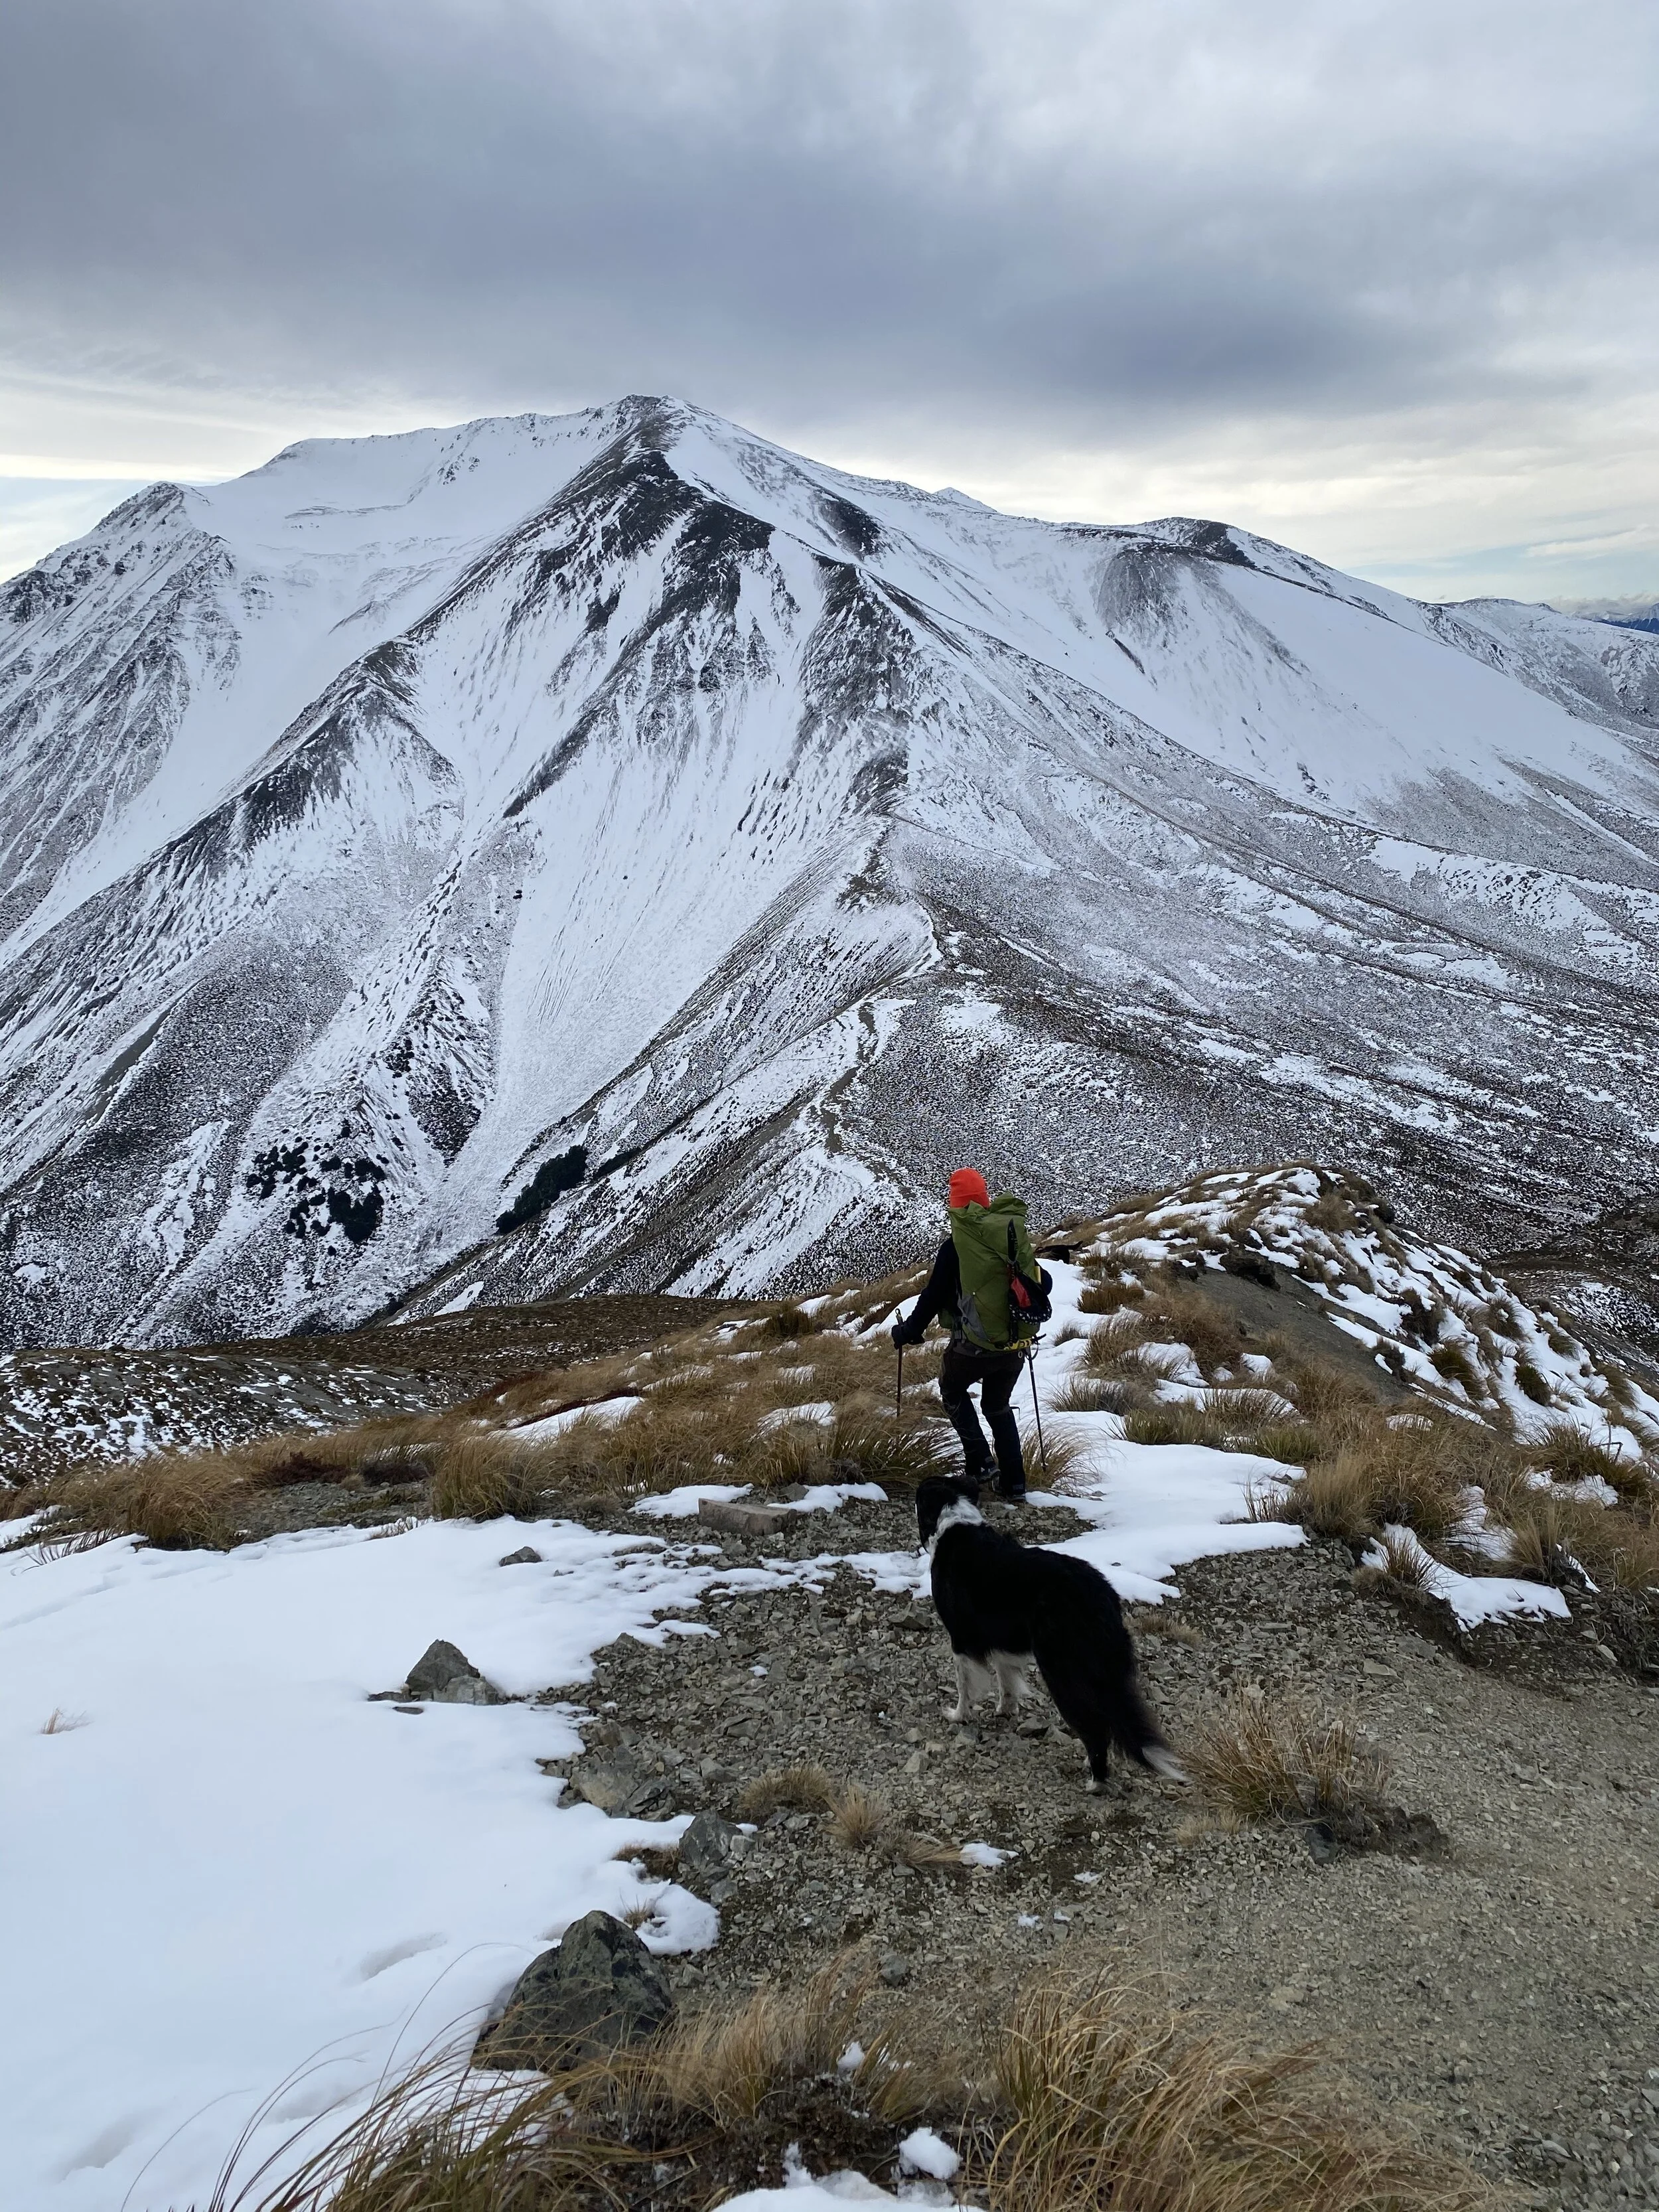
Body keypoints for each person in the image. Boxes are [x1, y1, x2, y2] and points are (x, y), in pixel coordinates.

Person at [889, 1168, 1052, 1505]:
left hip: (972, 1347)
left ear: (956, 1206)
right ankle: (1015, 1484)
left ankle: (980, 1464)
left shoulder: (956, 1248)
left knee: (951, 1389)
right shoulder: (1010, 1239)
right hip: (1013, 1345)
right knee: (997, 1406)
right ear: (984, 1200)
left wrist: (907, 1332)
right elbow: (1043, 1283)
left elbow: (932, 1297)